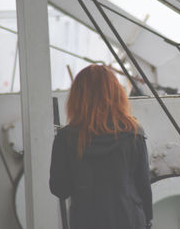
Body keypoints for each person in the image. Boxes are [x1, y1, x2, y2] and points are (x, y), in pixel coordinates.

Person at [49, 65, 152, 229]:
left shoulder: (65, 137)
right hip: (129, 219)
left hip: (86, 221)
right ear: (116, 93)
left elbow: (60, 189)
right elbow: (143, 185)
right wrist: (148, 220)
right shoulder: (134, 132)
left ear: (77, 97)